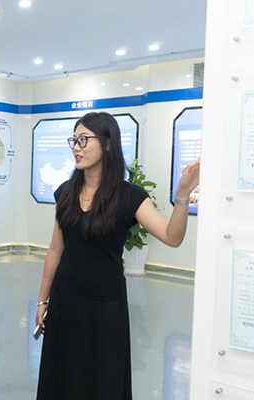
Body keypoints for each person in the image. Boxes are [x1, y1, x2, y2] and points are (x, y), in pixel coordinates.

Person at [35, 112, 200, 400]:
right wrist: (42, 300)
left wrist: (183, 194)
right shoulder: (65, 192)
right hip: (65, 301)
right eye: (74, 140)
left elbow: (172, 237)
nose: (76, 147)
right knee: (62, 379)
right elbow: (55, 249)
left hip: (105, 307)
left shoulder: (129, 196)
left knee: (102, 381)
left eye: (84, 140)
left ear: (108, 144)